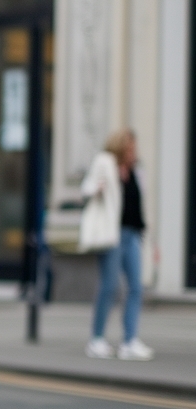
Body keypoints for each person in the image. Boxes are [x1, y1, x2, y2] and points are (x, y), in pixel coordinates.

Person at [81, 129, 153, 361]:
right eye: (130, 148)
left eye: (135, 148)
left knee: (135, 287)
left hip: (133, 234)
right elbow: (86, 188)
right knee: (110, 286)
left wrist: (151, 237)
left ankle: (129, 341)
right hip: (112, 234)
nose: (134, 152)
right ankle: (97, 339)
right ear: (121, 147)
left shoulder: (136, 171)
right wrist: (97, 189)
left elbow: (140, 204)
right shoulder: (105, 162)